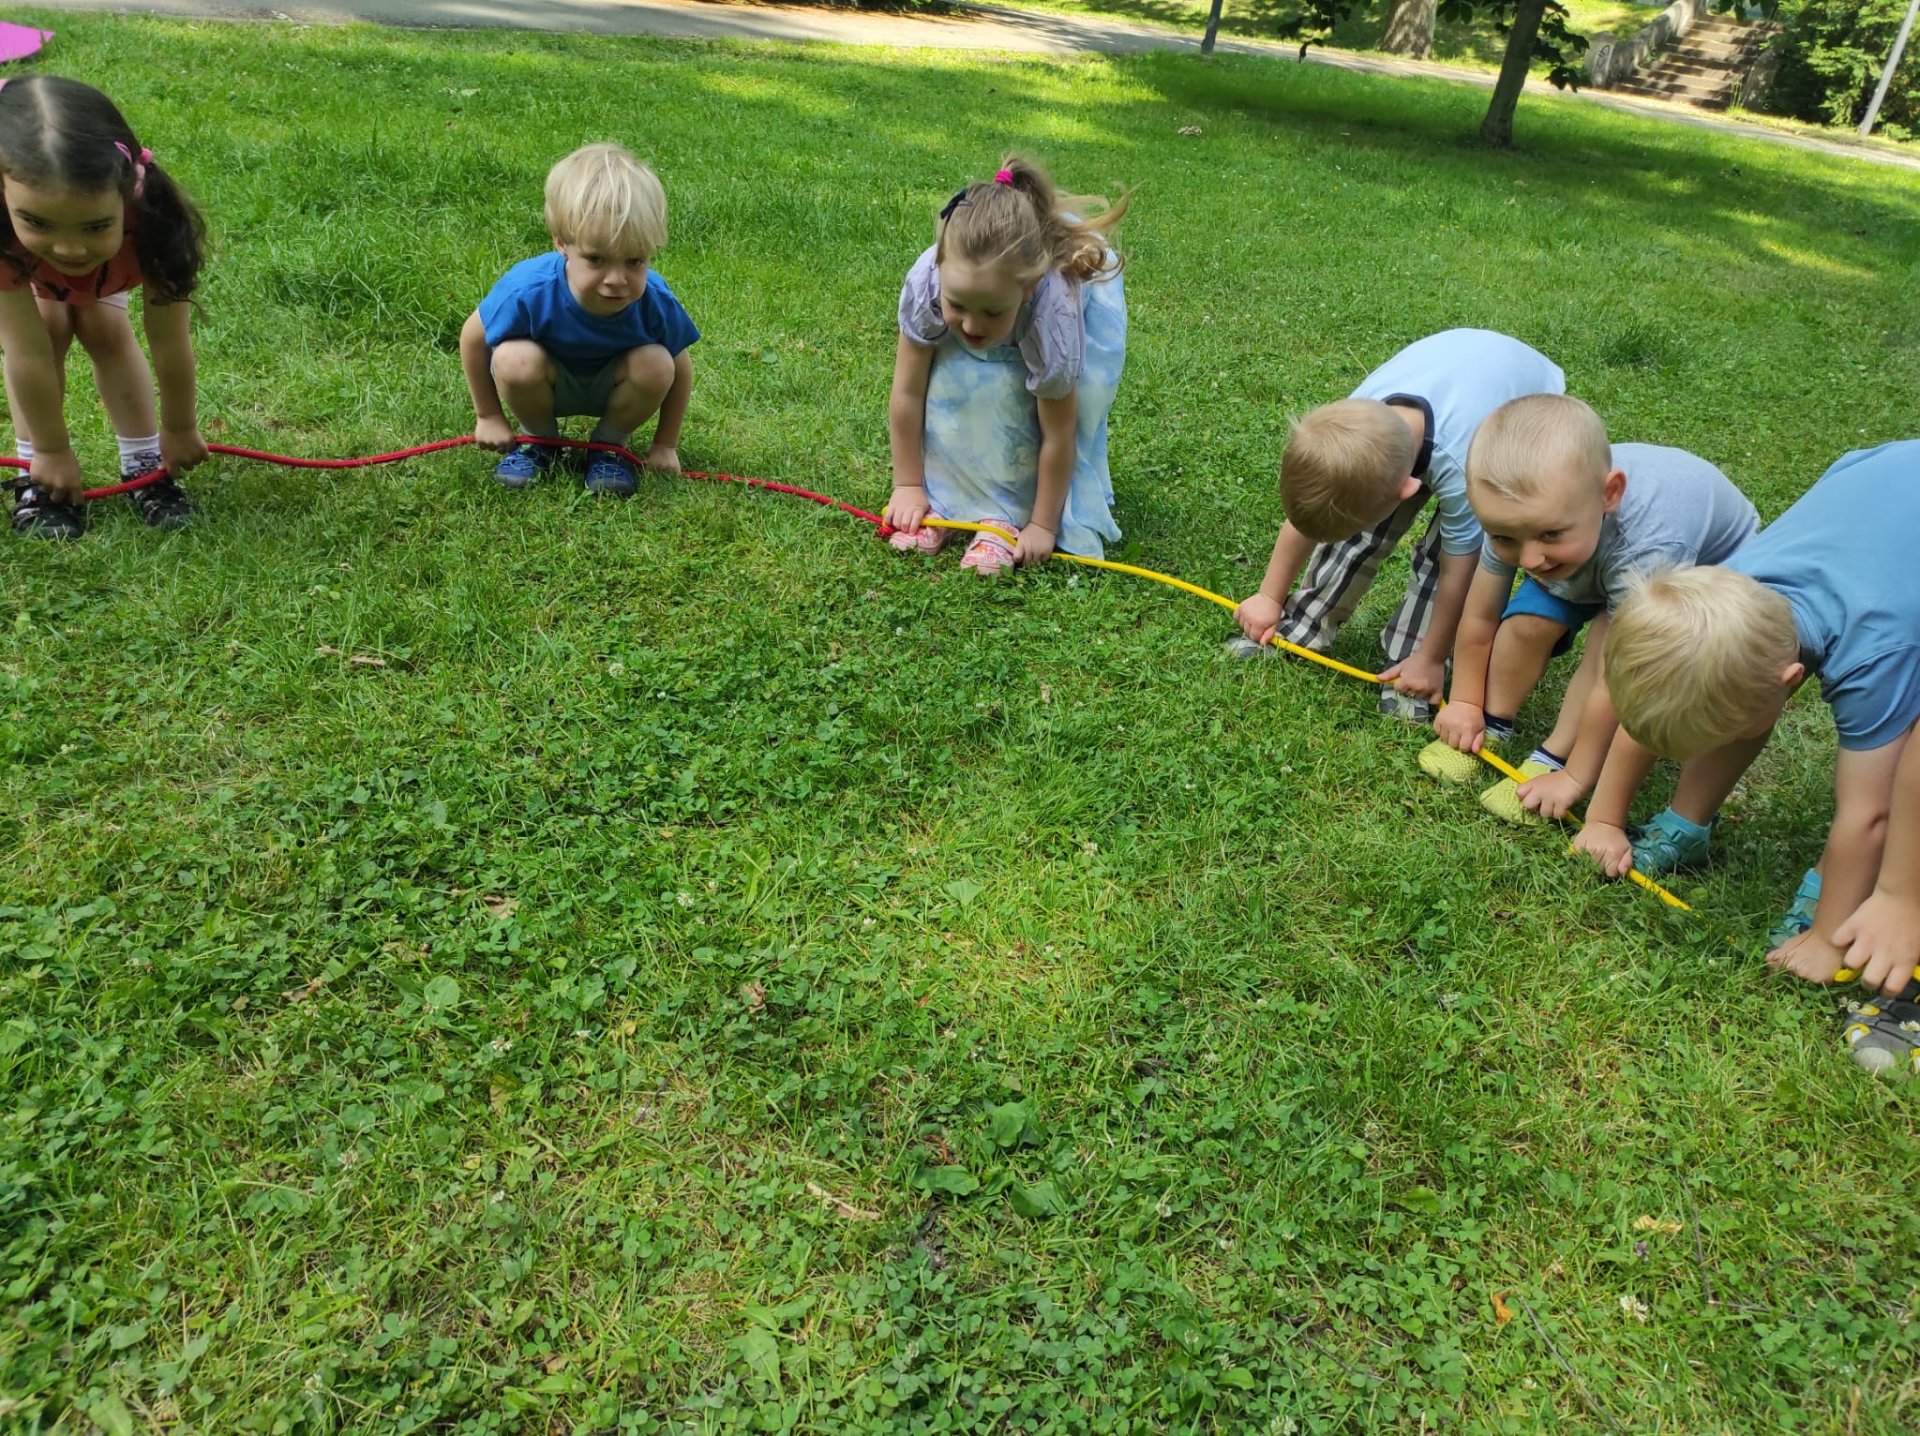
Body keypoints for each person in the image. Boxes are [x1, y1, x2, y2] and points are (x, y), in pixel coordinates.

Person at [1587, 442, 1920, 1070]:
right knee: (1731, 697)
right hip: (1874, 481)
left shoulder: (1876, 658)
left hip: (1897, 569)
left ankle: (1829, 894)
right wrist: (1603, 820)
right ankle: (1686, 827)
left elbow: (1870, 814)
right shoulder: (1723, 602)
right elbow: (1647, 716)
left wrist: (1827, 937)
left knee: (1887, 771)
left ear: (1790, 683)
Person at [1418, 394, 1757, 825]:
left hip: (1697, 575)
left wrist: (1576, 776)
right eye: (1505, 538)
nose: (1528, 559)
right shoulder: (1518, 517)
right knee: (1528, 624)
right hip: (1590, 547)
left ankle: (1555, 757)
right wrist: (1465, 702)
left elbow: (1612, 675)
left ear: (1609, 494)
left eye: (1549, 534)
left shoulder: (1650, 543)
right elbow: (1481, 616)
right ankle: (1492, 721)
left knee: (1605, 641)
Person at [1231, 330, 1564, 722]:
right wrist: (1268, 597)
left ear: (1409, 489)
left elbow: (1459, 571)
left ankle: (1413, 663)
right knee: (1356, 522)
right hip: (1459, 369)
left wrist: (1432, 658)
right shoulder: (1348, 428)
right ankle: (1305, 621)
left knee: (1441, 557)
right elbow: (1306, 518)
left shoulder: (1466, 469)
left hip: (1522, 411)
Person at [883, 155, 1128, 574]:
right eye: (958, 304)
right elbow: (908, 391)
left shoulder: (1051, 315)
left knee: (1008, 395)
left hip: (1031, 357)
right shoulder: (929, 281)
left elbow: (1058, 432)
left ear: (1028, 288)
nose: (972, 324)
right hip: (972, 367)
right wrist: (906, 485)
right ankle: (943, 498)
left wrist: (1041, 525)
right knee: (954, 381)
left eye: (992, 311)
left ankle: (1005, 512)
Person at [0, 74, 208, 539]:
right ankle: (36, 477)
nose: (70, 249)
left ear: (127, 191)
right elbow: (25, 352)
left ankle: (144, 465)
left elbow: (170, 343)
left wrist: (180, 427)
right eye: (38, 220)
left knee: (104, 328)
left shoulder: (155, 222)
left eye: (94, 225)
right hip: (26, 267)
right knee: (48, 329)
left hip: (113, 266)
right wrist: (51, 452)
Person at [461, 143, 696, 498]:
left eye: (634, 261)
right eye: (596, 259)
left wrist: (666, 444)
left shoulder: (655, 300)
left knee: (658, 363)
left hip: (617, 388)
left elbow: (681, 369)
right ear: (562, 244)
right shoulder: (528, 288)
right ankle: (540, 441)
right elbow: (472, 338)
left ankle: (609, 447)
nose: (616, 279)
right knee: (512, 358)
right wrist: (488, 416)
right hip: (543, 384)